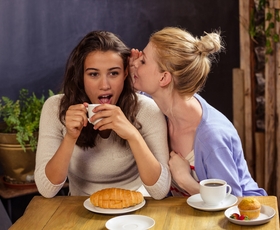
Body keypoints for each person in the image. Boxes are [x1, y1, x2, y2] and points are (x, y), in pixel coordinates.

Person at [130, 27, 267, 197]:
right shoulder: (163, 108)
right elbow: (132, 99)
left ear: (164, 78)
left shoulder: (212, 137)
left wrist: (185, 180)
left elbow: (232, 202)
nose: (134, 62)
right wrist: (127, 70)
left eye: (143, 61)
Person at [34, 31, 171, 199]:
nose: (104, 85)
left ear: (125, 74)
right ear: (81, 76)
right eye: (93, 74)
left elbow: (160, 191)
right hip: (80, 209)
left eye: (114, 73)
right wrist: (70, 137)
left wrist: (133, 135)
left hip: (137, 208)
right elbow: (47, 190)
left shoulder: (147, 110)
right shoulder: (55, 108)